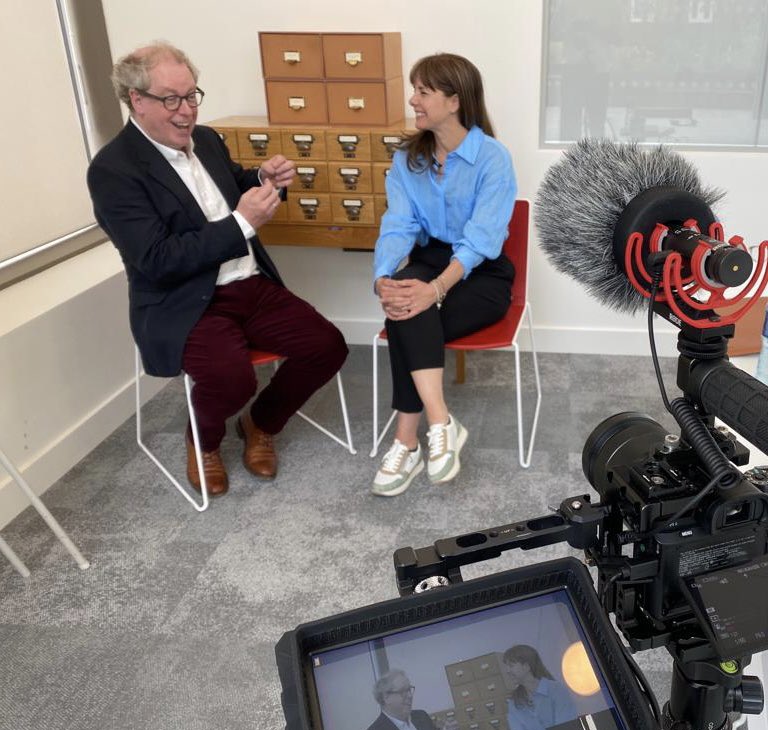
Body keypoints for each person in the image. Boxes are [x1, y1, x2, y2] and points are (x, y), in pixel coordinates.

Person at [87, 42, 347, 497]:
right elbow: (157, 260)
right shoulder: (113, 170)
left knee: (327, 346)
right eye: (172, 99)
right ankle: (203, 441)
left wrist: (262, 180)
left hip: (248, 282)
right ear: (137, 101)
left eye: (191, 96)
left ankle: (259, 423)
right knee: (231, 380)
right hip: (187, 300)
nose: (186, 111)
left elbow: (227, 189)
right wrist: (243, 221)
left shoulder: (206, 140)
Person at [371, 53, 517, 497]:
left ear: (454, 101)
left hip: (483, 272)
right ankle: (440, 424)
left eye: (423, 91)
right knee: (403, 300)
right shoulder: (408, 159)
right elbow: (398, 225)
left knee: (411, 313)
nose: (412, 100)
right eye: (414, 89)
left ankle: (407, 441)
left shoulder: (493, 158)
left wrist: (434, 290)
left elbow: (480, 241)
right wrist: (382, 277)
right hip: (430, 258)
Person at [360, 669, 460, 730]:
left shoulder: (421, 716)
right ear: (386, 697)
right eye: (402, 691)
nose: (410, 695)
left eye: (409, 689)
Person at [502, 645, 579, 730]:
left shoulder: (555, 690)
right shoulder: (514, 702)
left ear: (526, 666)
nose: (507, 671)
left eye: (511, 665)